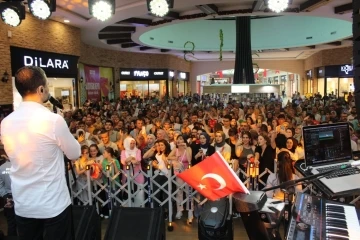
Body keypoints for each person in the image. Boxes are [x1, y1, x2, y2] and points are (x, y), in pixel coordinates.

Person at [0, 66, 81, 240]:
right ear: (41, 89)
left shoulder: (6, 122)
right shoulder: (52, 120)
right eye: (47, 85)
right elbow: (74, 153)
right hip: (53, 204)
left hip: (23, 204)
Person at [0, 154, 17, 236]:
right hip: (21, 198)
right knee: (25, 223)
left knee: (11, 223)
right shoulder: (20, 166)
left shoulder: (1, 167)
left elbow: (0, 185)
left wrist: (6, 197)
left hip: (8, 199)